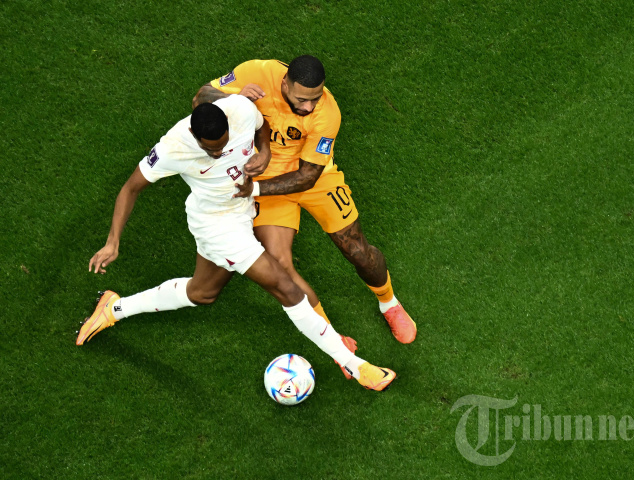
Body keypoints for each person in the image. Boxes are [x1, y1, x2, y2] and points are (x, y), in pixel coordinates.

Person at [77, 95, 395, 391]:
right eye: (210, 151)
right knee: (286, 287)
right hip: (217, 227)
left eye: (222, 146)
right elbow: (130, 188)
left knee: (202, 293)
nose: (218, 153)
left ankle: (114, 308)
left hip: (244, 209)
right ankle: (354, 366)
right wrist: (112, 242)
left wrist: (265, 152)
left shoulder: (240, 109)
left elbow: (261, 125)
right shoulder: (173, 147)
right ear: (194, 134)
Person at [192, 55, 417, 344]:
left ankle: (389, 303)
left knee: (357, 250)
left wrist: (254, 190)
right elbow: (201, 96)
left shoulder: (327, 114)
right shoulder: (257, 72)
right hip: (264, 175)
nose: (308, 107)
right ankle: (331, 339)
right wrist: (235, 98)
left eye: (315, 98)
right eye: (302, 99)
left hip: (311, 178)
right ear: (284, 83)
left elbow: (307, 177)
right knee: (280, 264)